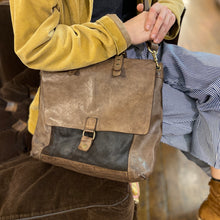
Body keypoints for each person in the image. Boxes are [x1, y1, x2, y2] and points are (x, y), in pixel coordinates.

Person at [9, 0, 220, 219]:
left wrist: (168, 9)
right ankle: (216, 203)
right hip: (85, 76)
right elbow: (35, 45)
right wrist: (122, 33)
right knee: (202, 120)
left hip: (144, 49)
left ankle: (216, 202)